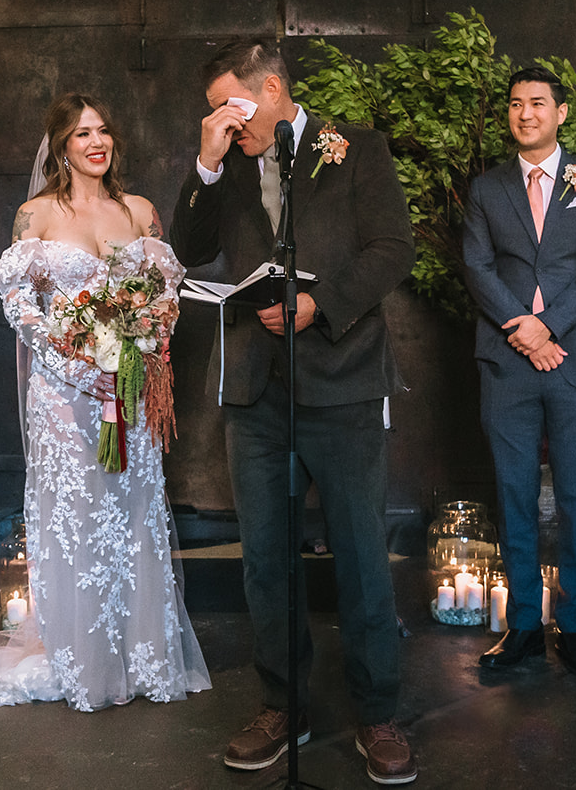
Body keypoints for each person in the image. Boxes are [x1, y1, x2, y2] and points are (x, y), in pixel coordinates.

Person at [0, 93, 210, 712]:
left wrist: (142, 344)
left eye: (103, 129)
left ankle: (141, 655)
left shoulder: (138, 212)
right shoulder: (35, 215)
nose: (97, 141)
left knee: (133, 510)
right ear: (61, 145)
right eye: (83, 132)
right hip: (64, 396)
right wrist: (79, 361)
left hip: (128, 389)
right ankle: (79, 658)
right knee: (77, 514)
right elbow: (22, 310)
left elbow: (166, 295)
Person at [171, 41, 418, 785]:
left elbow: (393, 248)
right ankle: (284, 705)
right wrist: (208, 163)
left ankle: (378, 713)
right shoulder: (230, 162)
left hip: (341, 380)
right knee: (267, 561)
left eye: (230, 105)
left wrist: (321, 304)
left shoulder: (358, 149)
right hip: (256, 388)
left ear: (271, 87)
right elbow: (189, 248)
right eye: (215, 110)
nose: (223, 119)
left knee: (362, 555)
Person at [462, 67, 576, 681]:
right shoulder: (486, 188)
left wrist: (547, 327)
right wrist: (523, 331)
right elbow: (477, 266)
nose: (524, 113)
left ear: (560, 114)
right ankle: (524, 626)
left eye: (537, 103)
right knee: (514, 495)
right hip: (507, 362)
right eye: (514, 104)